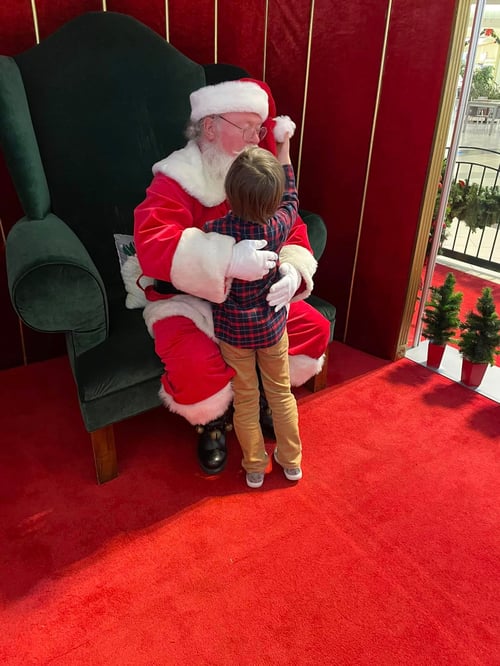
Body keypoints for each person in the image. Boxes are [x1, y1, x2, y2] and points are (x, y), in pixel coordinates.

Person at [134, 78, 330, 475]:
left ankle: (259, 402)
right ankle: (211, 424)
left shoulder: (258, 169)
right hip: (189, 298)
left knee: (313, 327)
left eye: (259, 129)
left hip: (256, 299)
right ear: (209, 126)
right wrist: (224, 259)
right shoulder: (176, 176)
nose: (255, 138)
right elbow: (153, 243)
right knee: (195, 363)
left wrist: (292, 269)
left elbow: (291, 223)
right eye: (245, 127)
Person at [203, 141, 303, 488]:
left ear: (229, 195)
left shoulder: (219, 231)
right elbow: (292, 196)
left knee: (245, 399)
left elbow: (193, 244)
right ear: (273, 199)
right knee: (281, 395)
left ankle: (255, 466)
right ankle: (291, 462)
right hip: (273, 328)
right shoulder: (278, 224)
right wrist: (285, 146)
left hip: (234, 334)